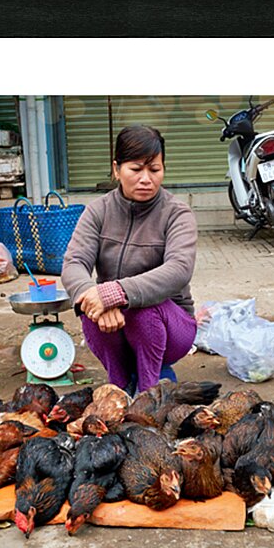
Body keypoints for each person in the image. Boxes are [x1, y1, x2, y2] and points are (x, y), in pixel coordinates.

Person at [61, 125, 198, 395]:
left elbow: (179, 269)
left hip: (173, 328)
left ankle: (148, 394)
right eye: (136, 169)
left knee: (141, 308)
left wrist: (117, 292)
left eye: (155, 170)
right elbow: (74, 263)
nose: (146, 179)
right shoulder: (98, 211)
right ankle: (120, 384)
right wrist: (95, 295)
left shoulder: (177, 214)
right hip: (116, 326)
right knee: (89, 305)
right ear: (117, 169)